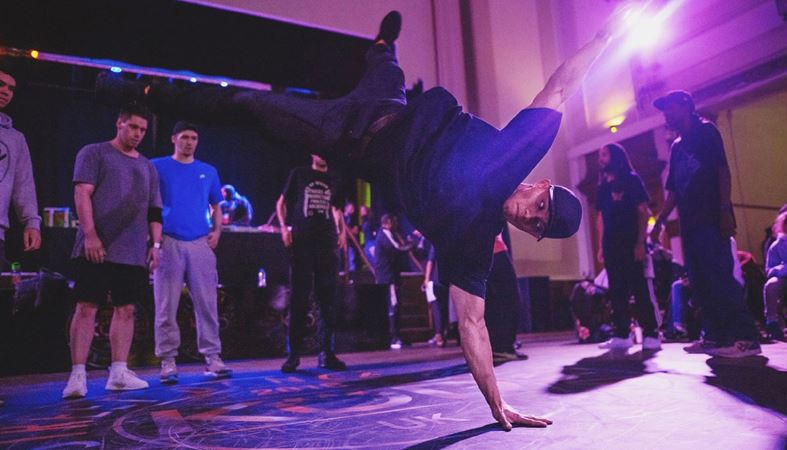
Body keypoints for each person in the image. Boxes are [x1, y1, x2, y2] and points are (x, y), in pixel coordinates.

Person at [105, 6, 637, 428]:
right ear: (541, 185)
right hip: (390, 105)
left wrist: (497, 405)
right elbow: (562, 87)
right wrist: (605, 38)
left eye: (537, 226)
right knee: (387, 66)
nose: (529, 216)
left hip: (345, 135)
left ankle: (148, 91)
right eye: (539, 207)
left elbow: (472, 325)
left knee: (252, 107)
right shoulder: (517, 151)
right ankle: (383, 45)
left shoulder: (474, 238)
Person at [62, 102, 162, 399]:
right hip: (97, 247)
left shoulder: (147, 166)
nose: (138, 134)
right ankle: (77, 376)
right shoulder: (94, 153)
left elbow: (154, 210)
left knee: (127, 309)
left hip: (132, 252)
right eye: (133, 127)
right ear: (119, 123)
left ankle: (118, 372)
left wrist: (156, 246)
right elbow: (82, 194)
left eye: (143, 130)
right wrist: (91, 235)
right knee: (86, 307)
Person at [652, 90, 760, 358]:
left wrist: (725, 209)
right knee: (700, 283)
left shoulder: (706, 132)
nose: (666, 113)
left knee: (720, 278)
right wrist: (660, 222)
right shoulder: (676, 147)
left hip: (713, 217)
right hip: (690, 225)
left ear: (686, 106)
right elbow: (674, 191)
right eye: (663, 109)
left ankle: (746, 339)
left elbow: (722, 170)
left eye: (670, 107)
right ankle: (713, 336)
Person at [151, 121, 232, 384]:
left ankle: (213, 358)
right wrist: (153, 240)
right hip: (169, 240)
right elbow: (149, 205)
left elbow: (216, 205)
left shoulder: (208, 170)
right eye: (185, 137)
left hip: (200, 242)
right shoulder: (158, 166)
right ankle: (167, 360)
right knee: (166, 304)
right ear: (174, 139)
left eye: (194, 138)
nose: (189, 142)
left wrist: (217, 231)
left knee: (207, 303)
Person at [276, 154, 348, 372]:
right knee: (299, 298)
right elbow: (281, 203)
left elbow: (336, 209)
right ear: (312, 155)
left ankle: (327, 353)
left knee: (328, 300)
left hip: (326, 244)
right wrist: (283, 228)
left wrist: (342, 231)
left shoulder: (335, 178)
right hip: (302, 243)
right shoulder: (299, 173)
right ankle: (294, 354)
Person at [0, 62, 43, 407]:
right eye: (1, 84)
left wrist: (32, 221)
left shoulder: (15, 139)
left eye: (11, 88)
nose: (5, 91)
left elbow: (23, 186)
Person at [595, 143, 661, 351]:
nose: (601, 158)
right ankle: (622, 334)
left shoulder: (632, 180)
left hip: (631, 243)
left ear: (616, 157)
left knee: (639, 289)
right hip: (611, 245)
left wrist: (641, 242)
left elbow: (643, 211)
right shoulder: (602, 186)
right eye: (600, 155)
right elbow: (600, 218)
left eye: (604, 154)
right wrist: (600, 246)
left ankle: (651, 334)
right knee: (617, 291)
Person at [485, 234, 528, 363]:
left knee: (492, 301)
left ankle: (497, 346)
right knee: (508, 298)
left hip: (479, 250)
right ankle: (502, 347)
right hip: (492, 248)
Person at [374, 213, 414, 349]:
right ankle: (394, 338)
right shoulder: (384, 235)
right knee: (393, 305)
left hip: (391, 276)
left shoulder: (387, 234)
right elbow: (396, 248)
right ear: (388, 222)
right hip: (387, 277)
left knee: (395, 305)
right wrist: (410, 245)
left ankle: (397, 336)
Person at [763, 209, 787, 340]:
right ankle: (772, 320)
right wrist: (782, 269)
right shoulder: (776, 245)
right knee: (771, 285)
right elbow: (769, 269)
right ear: (784, 224)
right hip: (785, 275)